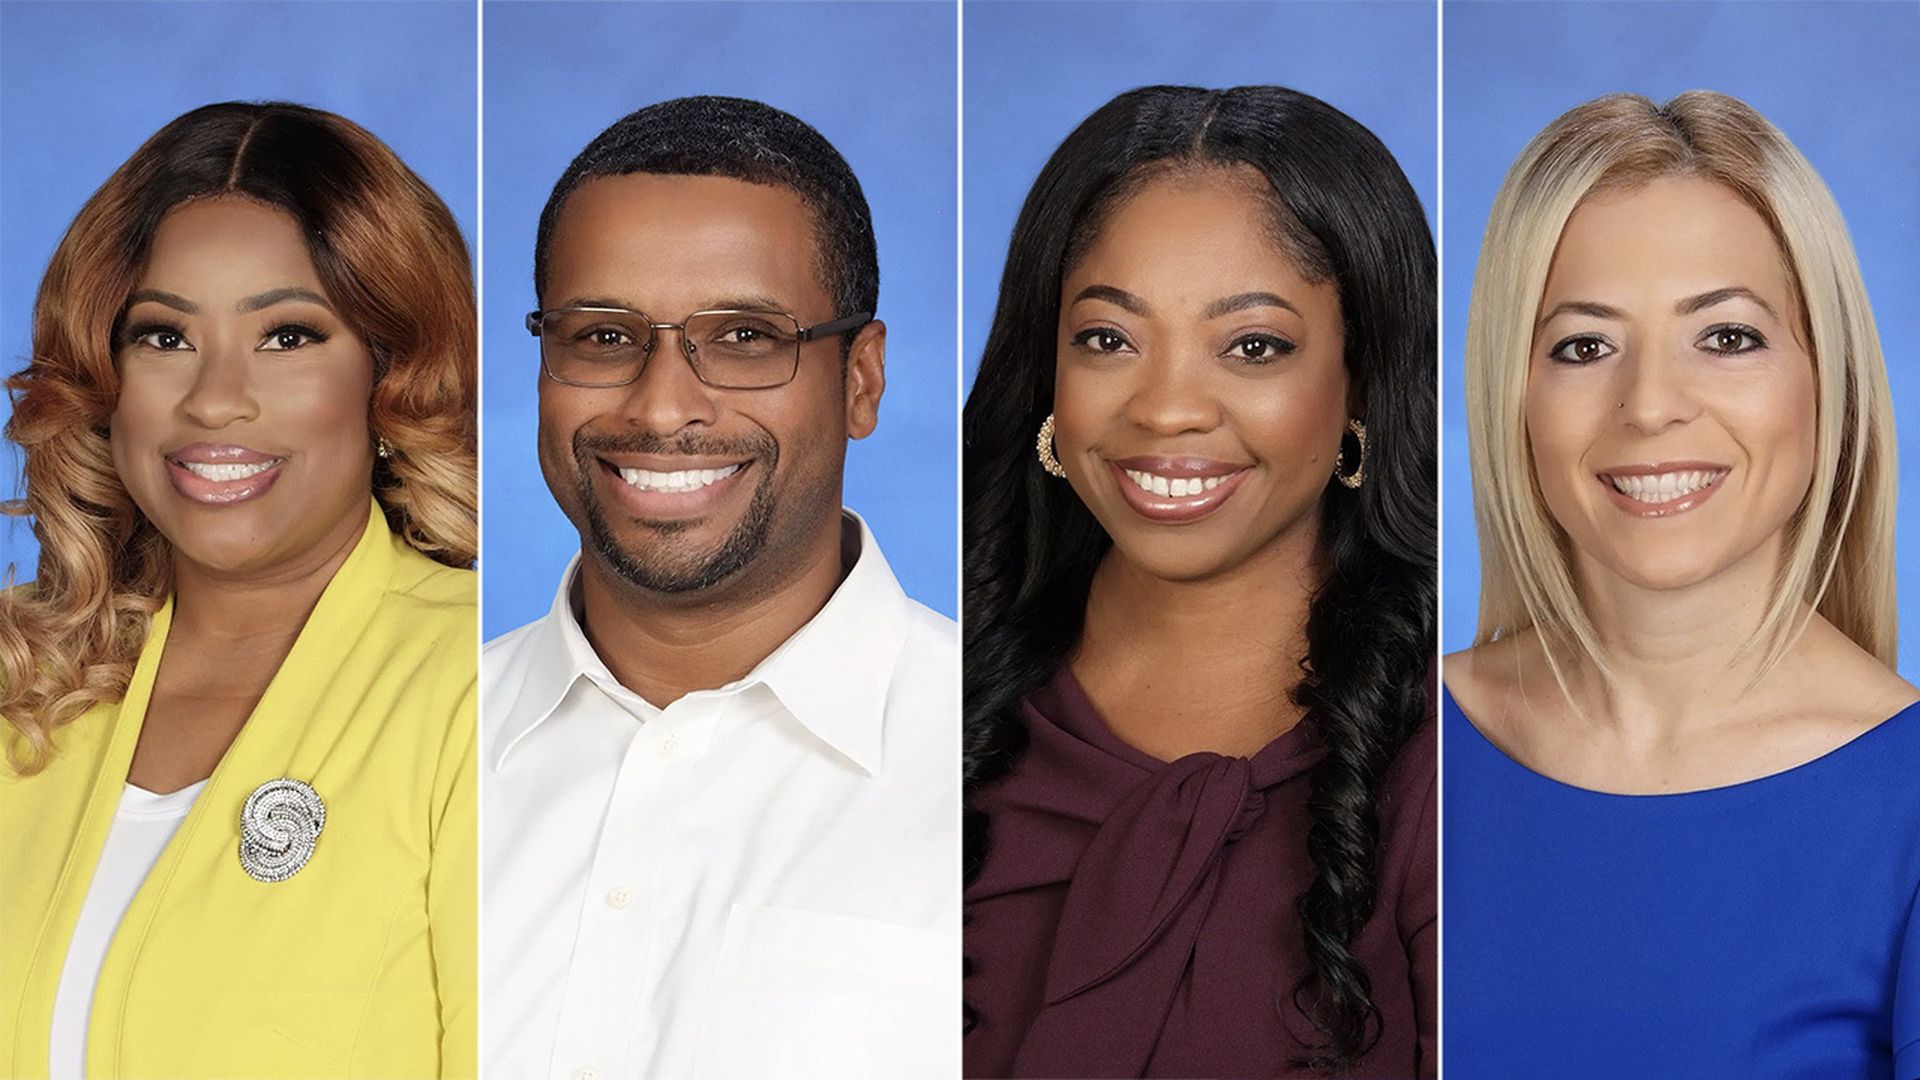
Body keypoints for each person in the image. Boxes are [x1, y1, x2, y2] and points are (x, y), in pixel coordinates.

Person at [962, 85, 1437, 1078]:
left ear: (1362, 387)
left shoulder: (1453, 778)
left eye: (1253, 346)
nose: (1169, 409)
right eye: (1108, 340)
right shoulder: (913, 713)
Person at [1444, 91, 1920, 1077]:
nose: (1652, 405)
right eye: (1583, 346)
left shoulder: (1903, 811)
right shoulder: (1375, 746)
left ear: (1827, 375)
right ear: (1513, 399)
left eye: (1728, 336)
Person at [482, 96, 958, 1079]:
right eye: (603, 337)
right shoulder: (413, 750)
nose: (662, 408)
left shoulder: (1001, 759)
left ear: (861, 380)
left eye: (745, 338)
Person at [0, 102, 478, 1078]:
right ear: (105, 378)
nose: (216, 397)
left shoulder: (482, 691)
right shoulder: (24, 700)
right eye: (165, 338)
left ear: (390, 377)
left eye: (289, 337)